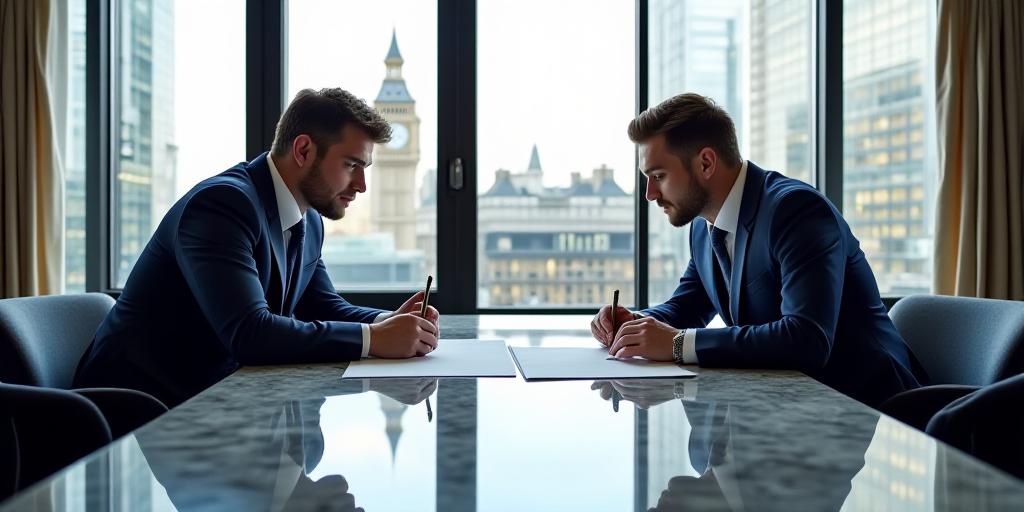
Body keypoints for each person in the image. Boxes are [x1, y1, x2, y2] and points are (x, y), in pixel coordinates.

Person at [74, 88, 439, 408]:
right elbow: (250, 334)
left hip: (215, 402)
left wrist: (386, 321)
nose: (361, 185)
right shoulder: (221, 206)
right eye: (351, 165)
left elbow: (324, 305)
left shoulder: (308, 220)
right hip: (136, 413)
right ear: (303, 150)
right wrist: (375, 340)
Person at [591, 93, 924, 407]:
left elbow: (806, 340)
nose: (649, 194)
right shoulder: (702, 226)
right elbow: (687, 307)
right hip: (790, 405)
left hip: (870, 409)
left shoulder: (796, 211)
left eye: (658, 175)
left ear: (706, 163)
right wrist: (634, 323)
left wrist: (677, 345)